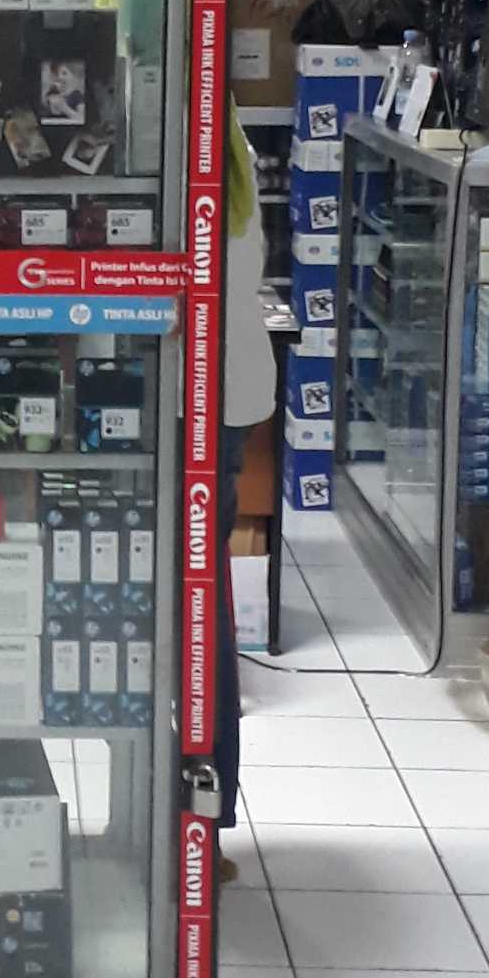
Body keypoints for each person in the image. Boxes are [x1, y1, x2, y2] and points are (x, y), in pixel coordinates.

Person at [217, 99, 275, 853]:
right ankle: (207, 819)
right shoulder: (225, 138)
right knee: (202, 602)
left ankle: (204, 818)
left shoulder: (184, 135)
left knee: (194, 608)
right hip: (221, 393)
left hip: (198, 401)